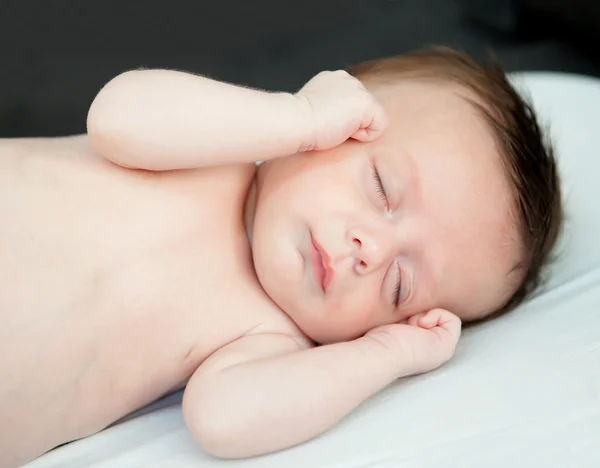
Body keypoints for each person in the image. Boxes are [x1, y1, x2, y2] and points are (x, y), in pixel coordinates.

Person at [0, 47, 562, 467]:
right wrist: (299, 119)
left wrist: (385, 355)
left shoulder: (268, 338)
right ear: (345, 115)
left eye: (399, 285)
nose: (372, 250)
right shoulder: (219, 151)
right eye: (381, 189)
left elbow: (223, 422)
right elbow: (116, 117)